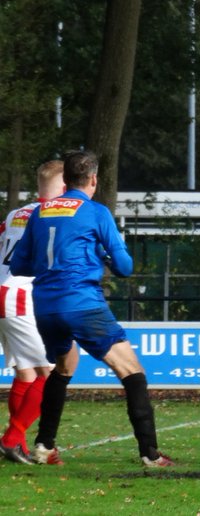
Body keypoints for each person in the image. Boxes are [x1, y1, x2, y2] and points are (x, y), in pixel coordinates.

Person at [8, 150, 172, 467]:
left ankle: (44, 445)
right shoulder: (96, 212)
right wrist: (103, 254)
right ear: (94, 179)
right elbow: (125, 267)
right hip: (82, 303)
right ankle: (150, 454)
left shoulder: (39, 213)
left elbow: (18, 266)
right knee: (133, 373)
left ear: (66, 180)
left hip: (44, 308)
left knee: (64, 367)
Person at [0, 161, 64, 463]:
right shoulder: (49, 215)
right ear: (64, 187)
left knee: (25, 372)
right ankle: (12, 438)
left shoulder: (15, 213)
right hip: (20, 295)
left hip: (2, 292)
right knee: (49, 373)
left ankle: (19, 444)